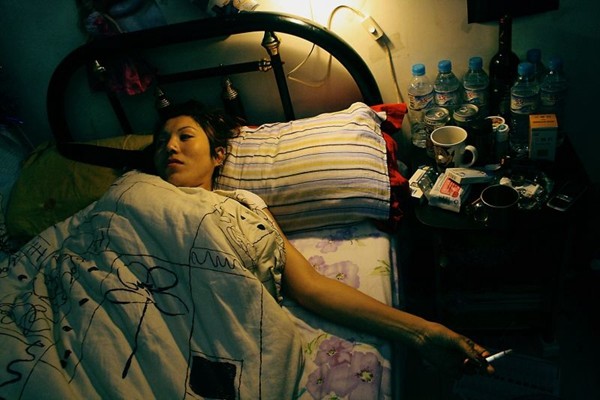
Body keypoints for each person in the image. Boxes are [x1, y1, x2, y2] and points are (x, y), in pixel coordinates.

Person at [151, 100, 495, 379]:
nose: (170, 147)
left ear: (218, 155)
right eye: (161, 142)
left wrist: (422, 333)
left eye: (185, 136)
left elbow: (310, 286)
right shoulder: (134, 194)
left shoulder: (244, 207)